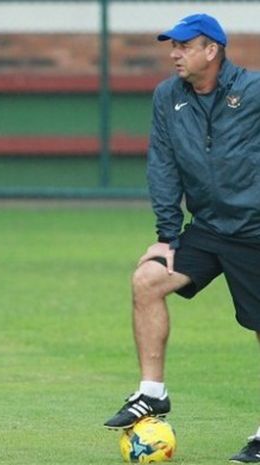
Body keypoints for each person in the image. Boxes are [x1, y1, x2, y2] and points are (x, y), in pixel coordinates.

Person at [103, 13, 260, 463]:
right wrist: (167, 236)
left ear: (211, 50)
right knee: (147, 281)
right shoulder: (167, 96)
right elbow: (164, 164)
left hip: (254, 231)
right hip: (207, 230)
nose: (175, 54)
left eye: (184, 46)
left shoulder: (252, 91)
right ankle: (152, 393)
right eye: (172, 46)